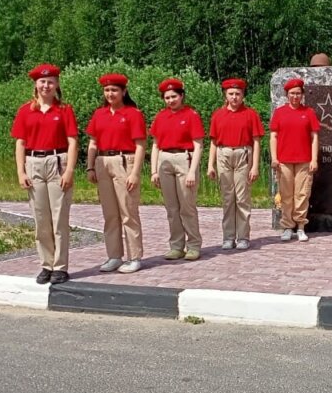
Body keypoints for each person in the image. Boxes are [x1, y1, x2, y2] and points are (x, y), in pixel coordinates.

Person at [10, 63, 79, 285]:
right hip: (34, 163)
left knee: (59, 219)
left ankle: (60, 266)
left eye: (50, 82)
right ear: (35, 84)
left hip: (57, 162)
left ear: (57, 84)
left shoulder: (64, 110)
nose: (46, 86)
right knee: (41, 219)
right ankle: (46, 264)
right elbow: (20, 143)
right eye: (42, 82)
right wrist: (21, 171)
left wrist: (69, 170)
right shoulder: (25, 110)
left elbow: (72, 141)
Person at [84, 72, 146, 274]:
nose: (110, 93)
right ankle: (114, 256)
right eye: (107, 90)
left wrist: (135, 173)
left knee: (128, 212)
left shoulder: (133, 114)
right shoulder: (99, 114)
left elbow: (140, 145)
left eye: (114, 90)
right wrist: (90, 166)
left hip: (124, 161)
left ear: (123, 92)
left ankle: (134, 257)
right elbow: (93, 143)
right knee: (110, 214)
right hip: (103, 162)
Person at [150, 78, 205, 261]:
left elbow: (198, 145)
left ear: (181, 96)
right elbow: (155, 144)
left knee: (187, 206)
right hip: (164, 159)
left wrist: (192, 171)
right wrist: (154, 170)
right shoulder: (160, 116)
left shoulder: (191, 115)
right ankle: (176, 246)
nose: (171, 100)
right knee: (171, 208)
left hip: (184, 158)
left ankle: (194, 245)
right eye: (167, 97)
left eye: (174, 96)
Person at [207, 78, 264, 250]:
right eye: (231, 94)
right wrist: (210, 165)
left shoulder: (250, 114)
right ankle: (228, 237)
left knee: (242, 197)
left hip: (242, 154)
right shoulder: (218, 115)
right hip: (223, 154)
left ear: (243, 95)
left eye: (238, 94)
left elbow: (256, 141)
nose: (234, 97)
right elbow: (213, 142)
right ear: (225, 95)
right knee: (227, 197)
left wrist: (255, 166)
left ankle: (243, 236)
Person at [270, 78, 321, 241]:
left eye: (298, 93)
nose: (295, 96)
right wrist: (274, 157)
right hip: (284, 160)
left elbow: (314, 137)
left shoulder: (309, 112)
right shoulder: (280, 112)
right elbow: (273, 136)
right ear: (287, 95)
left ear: (302, 94)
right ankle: (287, 226)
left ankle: (300, 226)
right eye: (292, 93)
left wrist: (314, 159)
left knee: (302, 194)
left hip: (304, 160)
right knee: (286, 195)